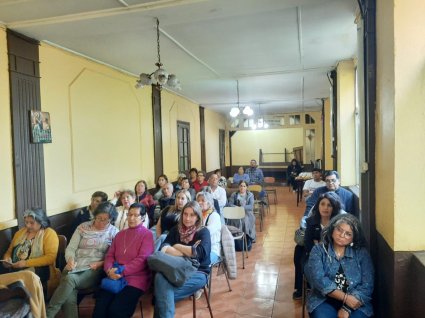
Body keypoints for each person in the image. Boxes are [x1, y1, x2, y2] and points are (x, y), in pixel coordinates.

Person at [46, 202, 119, 318]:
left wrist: (100, 263)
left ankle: (48, 313)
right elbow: (71, 248)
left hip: (93, 269)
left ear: (111, 219)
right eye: (99, 218)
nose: (102, 222)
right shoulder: (82, 227)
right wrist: (70, 260)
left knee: (69, 279)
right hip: (74, 265)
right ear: (95, 215)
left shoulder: (114, 232)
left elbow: (115, 256)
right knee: (69, 296)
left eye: (106, 220)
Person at [305, 214, 374, 318]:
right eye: (339, 230)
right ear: (332, 229)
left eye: (348, 234)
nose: (342, 235)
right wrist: (345, 298)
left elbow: (367, 285)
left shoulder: (361, 254)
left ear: (353, 238)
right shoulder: (318, 251)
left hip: (356, 300)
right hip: (324, 300)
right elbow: (319, 279)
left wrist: (347, 308)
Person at [92, 203, 154, 318]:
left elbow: (142, 259)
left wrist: (121, 271)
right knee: (99, 310)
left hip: (136, 279)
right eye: (129, 214)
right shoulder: (120, 235)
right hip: (114, 276)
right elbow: (110, 255)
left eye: (135, 215)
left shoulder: (147, 235)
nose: (131, 218)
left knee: (116, 311)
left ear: (143, 217)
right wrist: (109, 270)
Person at [153, 201, 211, 318]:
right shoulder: (176, 230)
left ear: (198, 217)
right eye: (185, 214)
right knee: (160, 281)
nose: (187, 218)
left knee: (161, 296)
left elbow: (201, 253)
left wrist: (176, 246)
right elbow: (164, 247)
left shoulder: (203, 232)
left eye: (192, 215)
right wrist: (189, 251)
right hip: (176, 269)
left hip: (198, 272)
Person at [293, 192, 343, 300]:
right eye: (322, 204)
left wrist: (320, 244)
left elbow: (339, 244)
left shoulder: (339, 224)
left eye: (329, 205)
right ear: (318, 206)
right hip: (313, 258)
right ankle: (322, 295)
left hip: (334, 258)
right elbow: (308, 244)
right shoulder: (311, 221)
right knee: (314, 271)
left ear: (334, 207)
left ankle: (331, 295)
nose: (325, 208)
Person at [2, 208, 59, 298]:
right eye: (26, 222)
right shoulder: (20, 233)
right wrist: (7, 259)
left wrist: (26, 263)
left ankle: (21, 299)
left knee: (22, 279)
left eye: (32, 223)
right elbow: (9, 251)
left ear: (41, 222)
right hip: (16, 268)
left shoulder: (49, 233)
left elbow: (50, 258)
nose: (28, 225)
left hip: (41, 269)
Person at [227, 180, 256, 245]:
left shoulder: (250, 195)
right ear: (238, 187)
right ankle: (236, 236)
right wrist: (236, 207)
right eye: (241, 186)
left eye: (244, 186)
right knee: (233, 220)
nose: (242, 187)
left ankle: (246, 237)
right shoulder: (234, 194)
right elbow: (230, 204)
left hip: (247, 213)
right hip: (236, 212)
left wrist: (242, 207)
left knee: (245, 220)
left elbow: (251, 206)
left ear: (246, 187)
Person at [196, 191, 221, 264]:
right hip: (199, 247)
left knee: (200, 263)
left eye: (203, 200)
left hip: (212, 249)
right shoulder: (198, 215)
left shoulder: (214, 216)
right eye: (198, 201)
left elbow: (207, 232)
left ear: (209, 203)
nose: (199, 203)